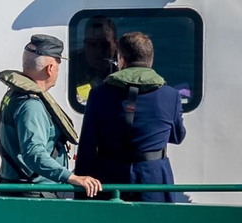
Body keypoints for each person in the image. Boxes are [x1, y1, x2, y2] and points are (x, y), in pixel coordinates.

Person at [75, 30, 186, 201]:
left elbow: (87, 147)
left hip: (108, 178)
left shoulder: (99, 94)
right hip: (154, 179)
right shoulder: (171, 96)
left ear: (122, 59)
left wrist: (81, 191)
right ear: (150, 59)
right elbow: (177, 136)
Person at [0, 35, 101, 197]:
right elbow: (33, 153)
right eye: (58, 65)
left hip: (20, 191)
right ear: (50, 68)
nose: (57, 71)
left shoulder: (15, 95)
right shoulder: (31, 105)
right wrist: (71, 178)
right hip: (33, 195)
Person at [73, 15, 118, 105]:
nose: (98, 51)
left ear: (115, 45)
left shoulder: (125, 66)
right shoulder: (71, 68)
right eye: (92, 44)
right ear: (85, 45)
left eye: (104, 44)